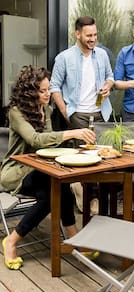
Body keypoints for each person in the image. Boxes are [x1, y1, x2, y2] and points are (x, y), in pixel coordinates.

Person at [0, 65, 96, 270]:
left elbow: (48, 146)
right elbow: (35, 140)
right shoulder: (16, 113)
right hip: (15, 171)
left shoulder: (47, 110)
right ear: (30, 91)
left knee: (60, 186)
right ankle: (12, 241)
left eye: (48, 89)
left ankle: (73, 240)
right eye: (42, 91)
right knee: (53, 193)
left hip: (39, 168)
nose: (48, 94)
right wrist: (71, 133)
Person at [50, 16, 114, 130]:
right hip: (77, 115)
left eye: (95, 35)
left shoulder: (102, 54)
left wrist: (107, 86)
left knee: (103, 148)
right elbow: (54, 87)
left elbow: (110, 76)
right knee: (82, 148)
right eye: (89, 35)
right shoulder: (63, 58)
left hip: (102, 113)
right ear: (77, 34)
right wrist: (66, 113)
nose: (93, 39)